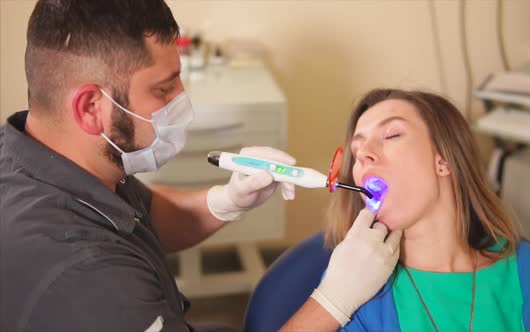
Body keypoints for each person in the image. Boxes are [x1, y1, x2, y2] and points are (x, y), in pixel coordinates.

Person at [0, 1, 400, 331]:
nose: (182, 99)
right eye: (163, 88)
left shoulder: (53, 156)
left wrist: (226, 201)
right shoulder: (88, 276)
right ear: (91, 108)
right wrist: (332, 302)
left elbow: (148, 215)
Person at [318, 88, 530, 331]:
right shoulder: (353, 290)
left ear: (444, 160)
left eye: (391, 134)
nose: (363, 154)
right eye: (357, 150)